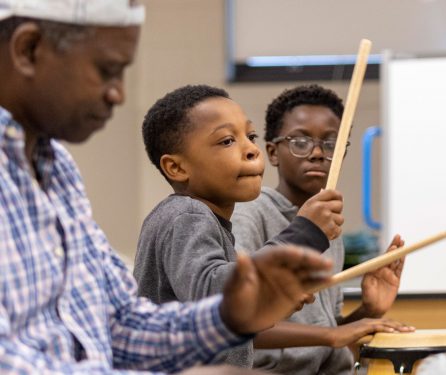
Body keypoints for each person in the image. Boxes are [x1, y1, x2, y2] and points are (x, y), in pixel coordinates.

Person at [0, 2, 332, 373]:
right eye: (106, 70)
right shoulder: (187, 214)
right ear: (28, 49)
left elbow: (120, 324)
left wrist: (230, 314)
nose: (119, 95)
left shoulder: (57, 169)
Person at [133, 84, 345, 368]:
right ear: (177, 168)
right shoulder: (186, 214)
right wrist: (304, 233)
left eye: (251, 136)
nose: (251, 150)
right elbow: (211, 290)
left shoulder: (208, 221)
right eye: (227, 141)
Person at [231, 84, 413, 375]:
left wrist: (369, 310)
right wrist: (331, 336)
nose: (317, 153)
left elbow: (327, 340)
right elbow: (233, 325)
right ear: (272, 152)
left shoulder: (329, 227)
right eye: (300, 142)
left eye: (331, 144)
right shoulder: (250, 214)